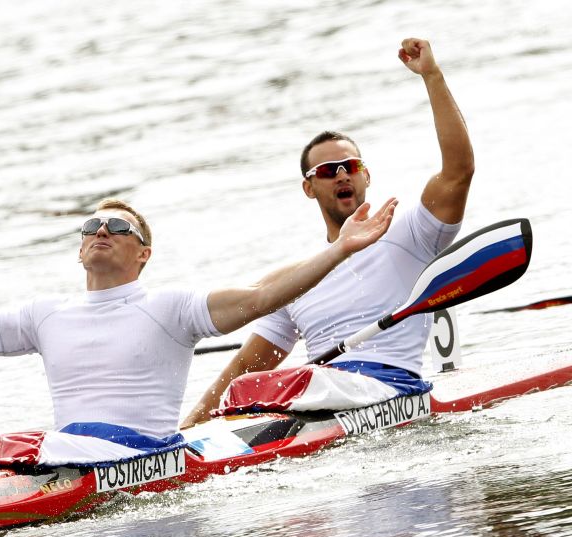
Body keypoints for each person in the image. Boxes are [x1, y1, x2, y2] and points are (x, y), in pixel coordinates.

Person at [0, 197, 396, 442]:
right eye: (90, 227)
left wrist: (339, 250)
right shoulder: (46, 315)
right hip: (72, 455)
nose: (100, 233)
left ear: (143, 253)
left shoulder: (171, 307)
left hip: (142, 457)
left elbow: (261, 297)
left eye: (119, 228)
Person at [181, 37, 474, 429]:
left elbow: (458, 171)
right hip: (314, 399)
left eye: (349, 165)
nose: (340, 173)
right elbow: (244, 367)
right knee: (246, 387)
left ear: (365, 176)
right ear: (309, 188)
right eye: (325, 171)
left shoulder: (412, 235)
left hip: (387, 387)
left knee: (286, 384)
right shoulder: (298, 279)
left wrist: (432, 77)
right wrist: (188, 432)